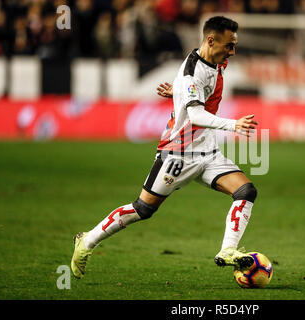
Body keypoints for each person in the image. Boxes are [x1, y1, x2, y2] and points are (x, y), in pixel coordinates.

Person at [71, 16, 259, 278]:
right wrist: (233, 124)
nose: (232, 51)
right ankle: (87, 241)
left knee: (246, 190)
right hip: (177, 154)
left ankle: (227, 250)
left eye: (234, 45)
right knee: (143, 209)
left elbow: (198, 91)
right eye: (229, 45)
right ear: (211, 40)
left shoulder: (217, 62)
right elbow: (196, 117)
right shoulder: (191, 73)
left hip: (207, 152)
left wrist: (179, 93)